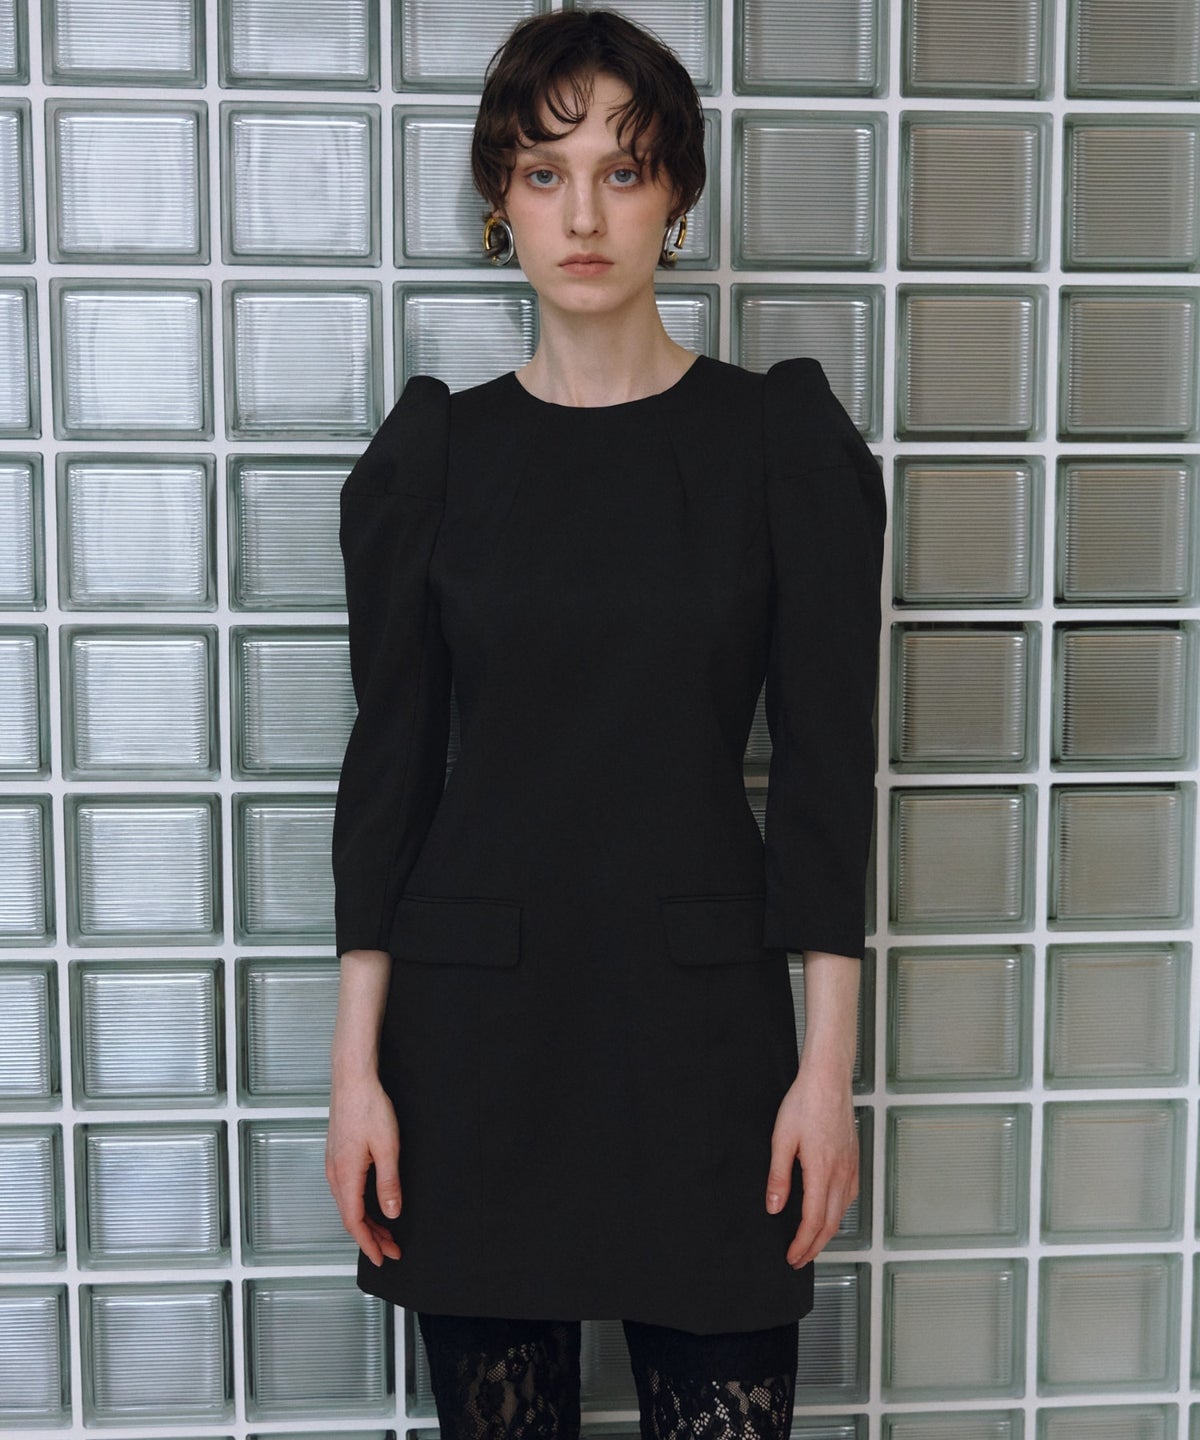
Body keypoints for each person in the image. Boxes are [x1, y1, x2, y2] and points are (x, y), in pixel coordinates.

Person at [324, 9, 886, 1439]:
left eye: (623, 172)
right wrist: (354, 1076)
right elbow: (388, 777)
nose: (583, 216)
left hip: (707, 1044)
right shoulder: (438, 454)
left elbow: (826, 774)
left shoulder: (777, 443)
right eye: (544, 172)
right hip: (475, 1044)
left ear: (676, 195)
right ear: (500, 201)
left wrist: (828, 1073)